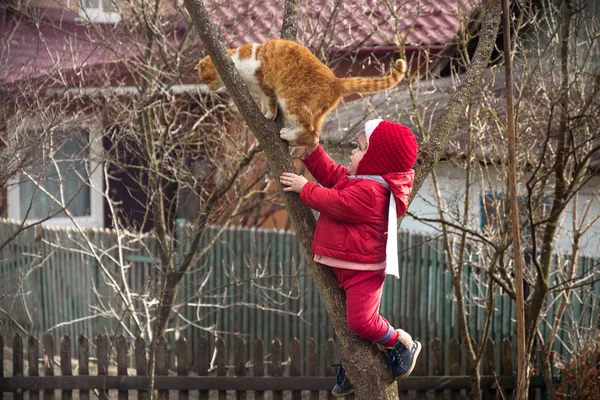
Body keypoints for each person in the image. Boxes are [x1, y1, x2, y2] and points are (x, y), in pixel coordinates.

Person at [279, 119, 421, 396]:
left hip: (363, 272)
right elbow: (333, 175)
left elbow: (336, 202)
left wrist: (304, 187)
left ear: (376, 160)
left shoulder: (373, 193)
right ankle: (355, 364)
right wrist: (314, 150)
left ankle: (400, 342)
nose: (352, 154)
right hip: (347, 265)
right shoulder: (360, 181)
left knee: (361, 321)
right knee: (349, 323)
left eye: (359, 149)